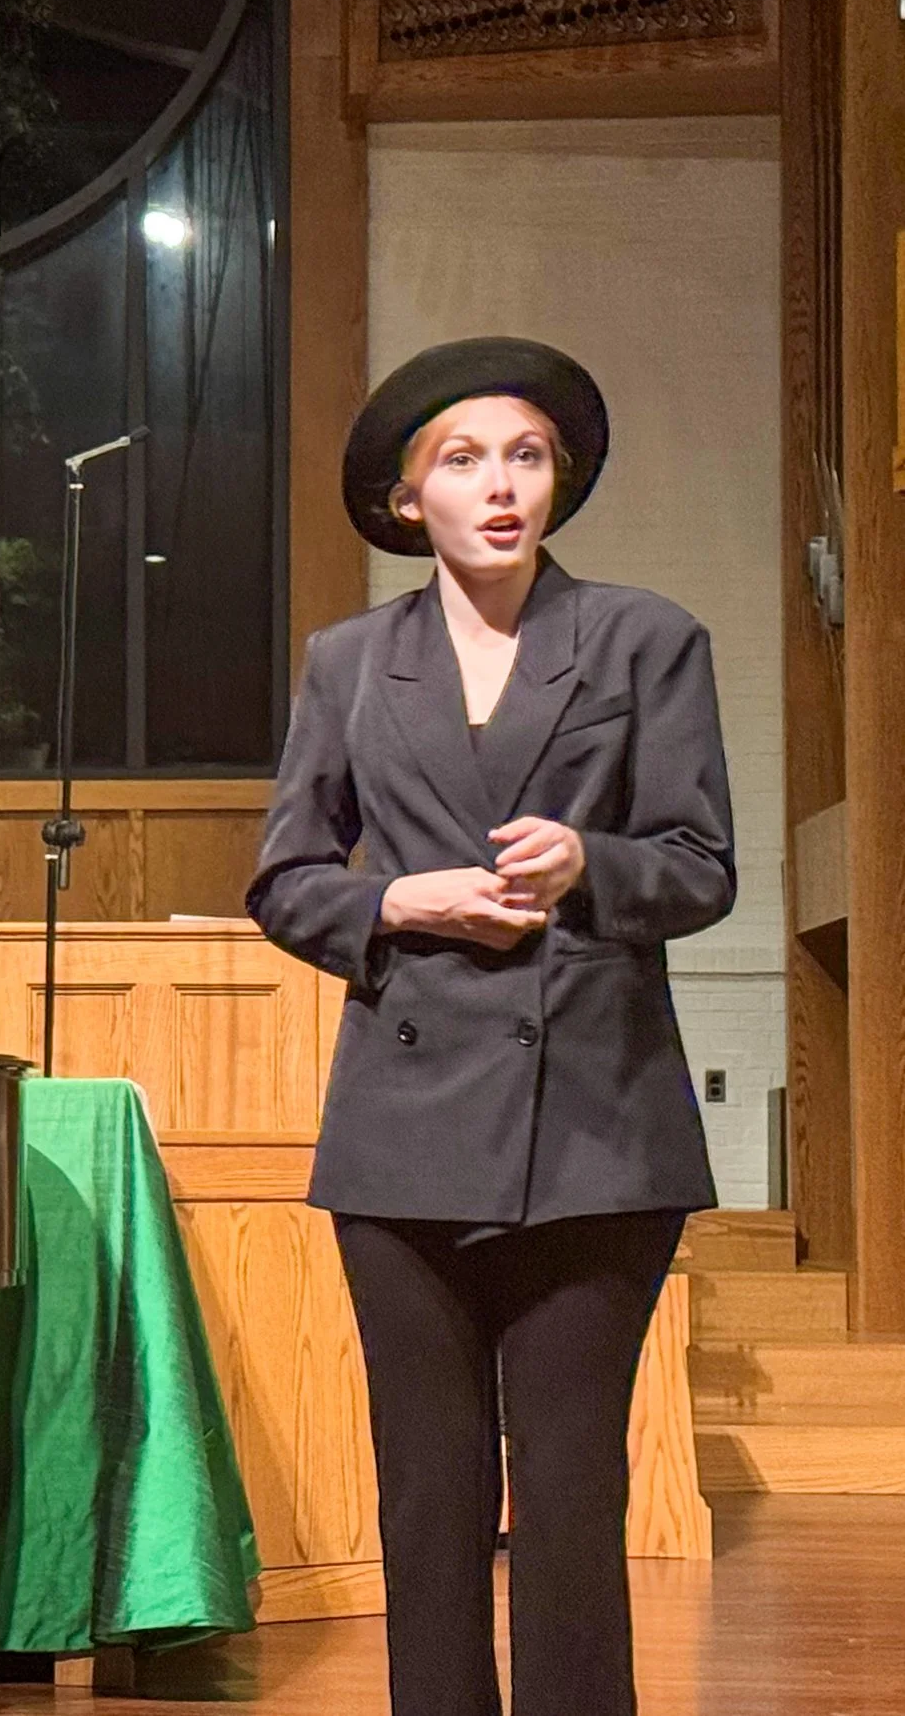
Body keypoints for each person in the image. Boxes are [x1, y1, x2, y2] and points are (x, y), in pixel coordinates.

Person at [248, 337, 732, 1716]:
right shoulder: (348, 661)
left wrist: (593, 864)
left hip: (598, 1125)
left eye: (525, 455)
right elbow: (284, 879)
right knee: (428, 1494)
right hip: (404, 1135)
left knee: (576, 1492)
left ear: (558, 482)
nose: (500, 484)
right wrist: (402, 896)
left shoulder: (647, 638)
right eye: (462, 460)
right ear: (410, 502)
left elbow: (702, 864)